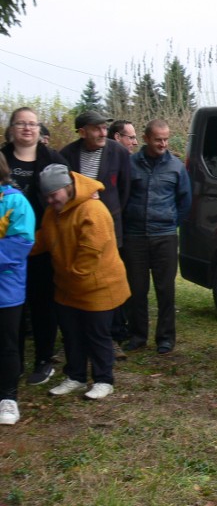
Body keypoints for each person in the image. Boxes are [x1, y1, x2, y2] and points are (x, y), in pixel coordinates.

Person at [32, 164, 130, 400]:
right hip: (67, 287)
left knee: (97, 335)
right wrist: (19, 248)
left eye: (53, 195)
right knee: (72, 334)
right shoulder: (53, 212)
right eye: (46, 196)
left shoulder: (92, 210)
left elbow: (89, 252)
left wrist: (72, 276)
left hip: (97, 286)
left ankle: (104, 380)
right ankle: (75, 376)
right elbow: (44, 238)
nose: (50, 200)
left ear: (67, 188)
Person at [1, 107, 67, 386]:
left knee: (42, 302)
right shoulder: (2, 157)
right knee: (12, 307)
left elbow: (68, 194)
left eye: (32, 124)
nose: (27, 129)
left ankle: (43, 359)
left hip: (42, 243)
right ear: (11, 129)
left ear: (39, 130)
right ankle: (11, 362)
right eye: (21, 124)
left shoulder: (52, 158)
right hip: (7, 248)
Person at [61, 111, 131, 358]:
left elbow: (124, 189)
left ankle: (112, 336)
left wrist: (108, 213)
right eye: (96, 128)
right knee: (80, 280)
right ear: (82, 132)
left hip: (109, 228)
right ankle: (80, 336)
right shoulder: (67, 155)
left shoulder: (119, 152)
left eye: (104, 128)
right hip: (76, 231)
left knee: (108, 284)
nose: (103, 133)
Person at [122, 119, 191, 355]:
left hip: (165, 237)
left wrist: (171, 222)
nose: (163, 143)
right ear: (146, 139)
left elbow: (185, 200)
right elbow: (123, 197)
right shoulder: (129, 165)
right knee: (137, 290)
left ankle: (165, 338)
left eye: (166, 139)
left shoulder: (176, 166)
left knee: (165, 290)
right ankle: (137, 335)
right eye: (158, 139)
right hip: (135, 236)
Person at [0, 154, 36, 425]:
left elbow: (21, 243)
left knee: (7, 344)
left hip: (6, 290)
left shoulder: (14, 201)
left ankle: (8, 397)